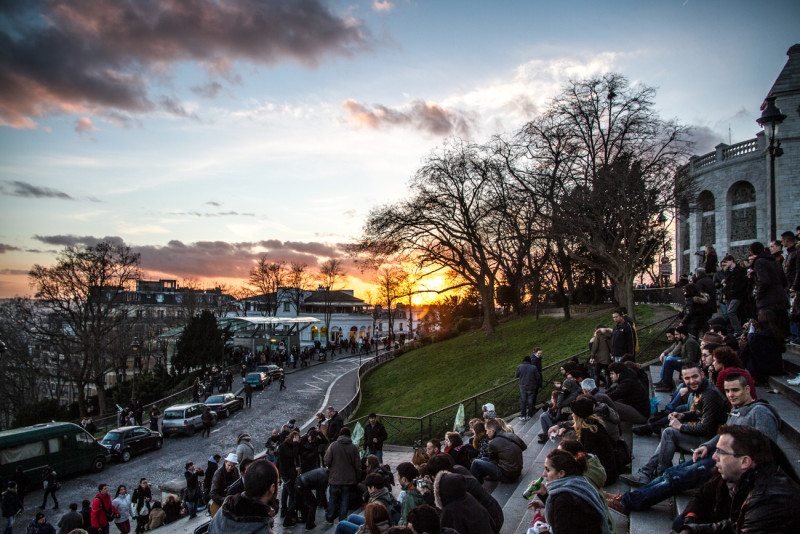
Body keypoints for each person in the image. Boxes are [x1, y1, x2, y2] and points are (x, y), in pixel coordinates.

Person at [607, 371, 781, 515]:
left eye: (735, 390)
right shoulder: (738, 409)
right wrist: (707, 446)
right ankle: (626, 499)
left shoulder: (760, 412)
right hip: (719, 456)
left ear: (748, 389)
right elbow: (724, 433)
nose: (730, 395)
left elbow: (766, 450)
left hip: (734, 466)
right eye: (727, 391)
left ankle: (628, 503)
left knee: (676, 477)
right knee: (672, 471)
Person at [677, 425, 800, 533]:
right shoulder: (734, 475)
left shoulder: (770, 499)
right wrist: (691, 526)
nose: (714, 456)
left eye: (720, 451)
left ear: (745, 461)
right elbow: (737, 524)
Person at [621, 362, 726, 486]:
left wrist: (681, 426)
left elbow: (706, 428)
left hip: (709, 442)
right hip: (706, 436)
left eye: (695, 377)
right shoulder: (702, 389)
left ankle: (659, 476)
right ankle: (649, 472)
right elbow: (699, 412)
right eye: (687, 378)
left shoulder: (710, 394)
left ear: (702, 374)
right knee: (668, 435)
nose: (691, 381)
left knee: (670, 433)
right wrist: (683, 415)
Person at [528, 449, 612, 534]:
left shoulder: (564, 499)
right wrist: (545, 495)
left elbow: (564, 521)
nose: (544, 474)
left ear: (561, 473)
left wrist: (542, 532)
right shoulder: (578, 482)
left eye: (548, 469)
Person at [208, 459, 279, 533]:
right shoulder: (264, 530)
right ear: (272, 488)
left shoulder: (226, 507)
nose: (230, 468)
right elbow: (213, 492)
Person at [469, 418, 526, 483]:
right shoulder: (511, 434)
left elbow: (492, 459)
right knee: (483, 458)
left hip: (508, 475)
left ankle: (476, 485)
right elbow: (524, 447)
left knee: (476, 462)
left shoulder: (493, 442)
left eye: (487, 430)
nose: (486, 433)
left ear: (492, 431)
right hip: (518, 471)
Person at [324, 427, 361, 523]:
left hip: (334, 478)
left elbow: (326, 461)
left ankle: (329, 518)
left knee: (332, 498)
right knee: (345, 499)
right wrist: (358, 477)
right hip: (348, 479)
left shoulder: (333, 445)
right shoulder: (353, 447)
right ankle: (342, 519)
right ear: (349, 435)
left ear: (340, 434)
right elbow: (358, 465)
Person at [278, 431, 301, 527]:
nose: (298, 440)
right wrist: (296, 443)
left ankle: (284, 511)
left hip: (289, 473)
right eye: (297, 438)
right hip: (286, 474)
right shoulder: (284, 446)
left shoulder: (288, 445)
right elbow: (293, 455)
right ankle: (290, 515)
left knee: (285, 492)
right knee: (291, 493)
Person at [516, 356, 542, 422]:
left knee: (523, 401)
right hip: (532, 387)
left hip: (523, 387)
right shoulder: (533, 367)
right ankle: (530, 415)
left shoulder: (519, 366)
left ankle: (523, 416)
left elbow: (516, 376)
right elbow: (538, 377)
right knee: (530, 401)